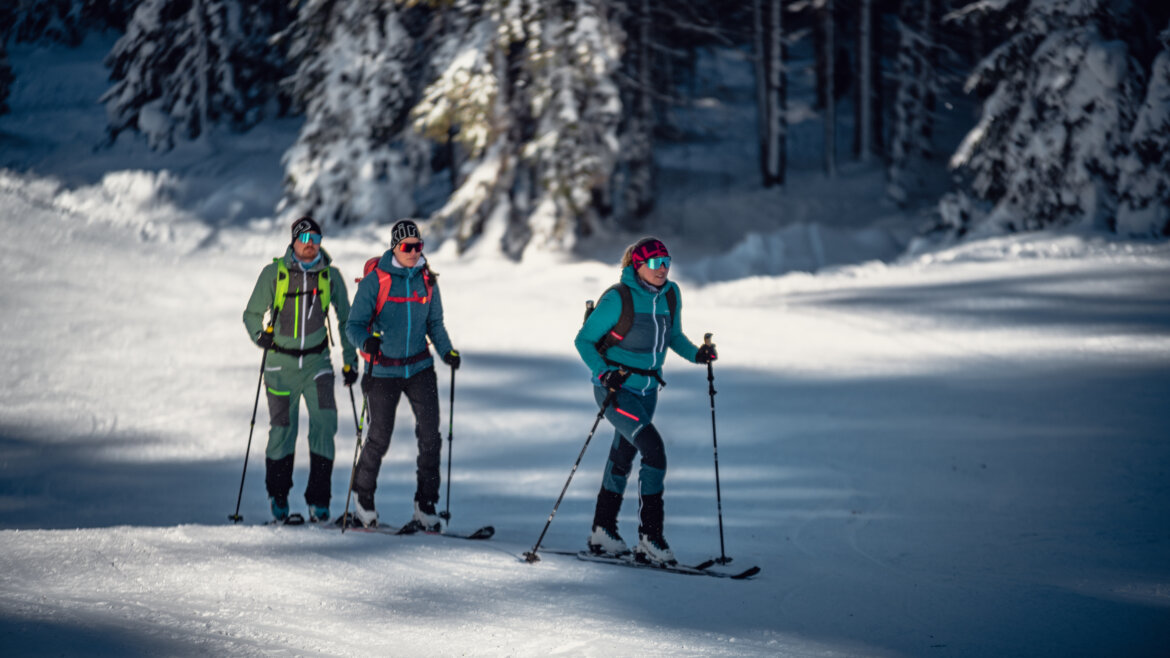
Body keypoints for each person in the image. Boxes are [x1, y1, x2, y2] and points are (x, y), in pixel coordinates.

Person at [573, 237, 717, 566]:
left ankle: (602, 530)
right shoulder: (618, 298)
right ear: (637, 266)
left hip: (648, 390)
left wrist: (697, 355)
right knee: (654, 451)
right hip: (616, 390)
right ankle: (650, 538)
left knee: (623, 455)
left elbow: (673, 336)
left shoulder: (671, 294)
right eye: (654, 263)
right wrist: (604, 373)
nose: (662, 268)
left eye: (666, 261)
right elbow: (584, 340)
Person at [345, 220, 460, 530]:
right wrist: (365, 342)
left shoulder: (427, 280)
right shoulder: (376, 281)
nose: (413, 251)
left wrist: (447, 351)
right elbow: (353, 326)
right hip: (382, 370)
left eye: (418, 246)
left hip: (420, 368)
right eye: (407, 246)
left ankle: (426, 503)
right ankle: (362, 498)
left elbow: (435, 324)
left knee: (431, 437)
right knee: (379, 436)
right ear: (394, 247)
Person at [243, 216, 359, 523]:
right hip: (280, 366)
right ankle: (278, 496)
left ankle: (319, 501)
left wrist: (350, 361)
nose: (310, 245)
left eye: (315, 239)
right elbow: (251, 314)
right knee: (283, 429)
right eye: (304, 239)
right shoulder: (274, 274)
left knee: (325, 424)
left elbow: (346, 320)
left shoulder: (330, 276)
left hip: (318, 363)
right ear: (293, 241)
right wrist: (260, 335)